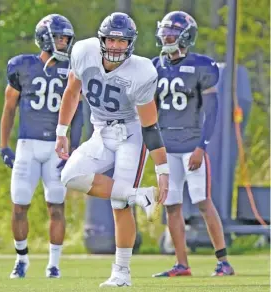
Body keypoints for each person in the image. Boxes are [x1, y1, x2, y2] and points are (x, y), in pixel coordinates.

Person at [55, 12, 169, 287]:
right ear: (101, 39)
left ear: (131, 43)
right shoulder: (83, 52)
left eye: (122, 41)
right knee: (69, 176)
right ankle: (139, 196)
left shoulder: (141, 72)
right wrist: (62, 132)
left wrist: (162, 169)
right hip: (101, 131)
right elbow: (72, 92)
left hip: (131, 134)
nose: (116, 46)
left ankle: (122, 272)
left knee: (119, 204)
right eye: (112, 39)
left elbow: (150, 126)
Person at [151, 11, 234, 277]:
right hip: (167, 148)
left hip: (191, 145)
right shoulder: (155, 65)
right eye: (165, 31)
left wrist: (202, 146)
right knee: (171, 206)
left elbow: (212, 112)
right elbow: (150, 109)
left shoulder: (202, 66)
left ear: (186, 36)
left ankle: (223, 261)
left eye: (172, 32)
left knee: (202, 201)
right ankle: (181, 264)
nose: (167, 36)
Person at [0, 14, 83, 279]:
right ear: (45, 38)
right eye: (60, 37)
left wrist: (75, 149)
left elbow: (78, 113)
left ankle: (54, 264)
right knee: (19, 205)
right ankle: (21, 259)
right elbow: (9, 108)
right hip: (27, 145)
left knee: (56, 206)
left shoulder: (71, 68)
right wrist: (4, 145)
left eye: (66, 38)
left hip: (55, 148)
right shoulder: (22, 66)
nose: (64, 42)